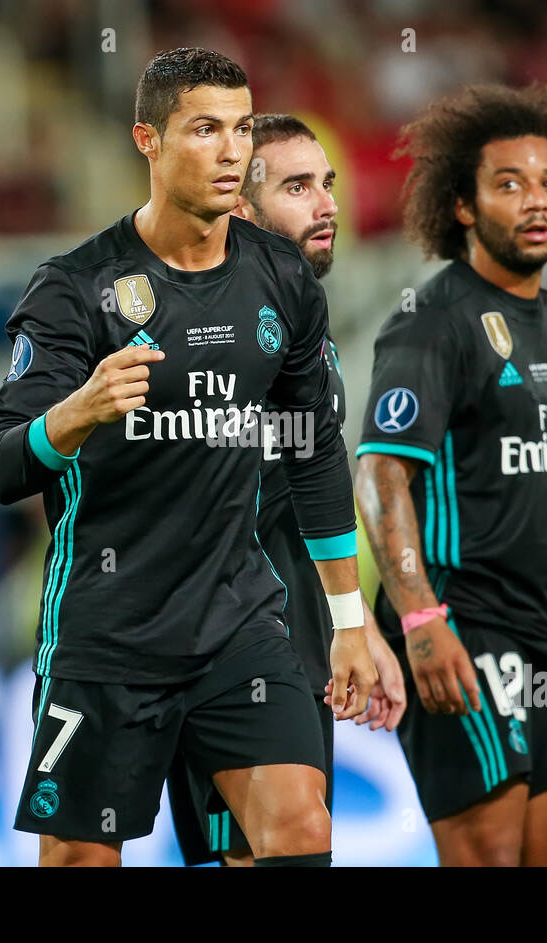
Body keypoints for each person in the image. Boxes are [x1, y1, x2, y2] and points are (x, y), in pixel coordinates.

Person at [0, 49, 377, 868]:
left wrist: (348, 623)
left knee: (300, 825)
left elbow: (315, 456)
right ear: (148, 142)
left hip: (238, 620)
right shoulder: (74, 289)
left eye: (240, 129)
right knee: (81, 858)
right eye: (205, 129)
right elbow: (2, 465)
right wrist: (77, 412)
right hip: (108, 629)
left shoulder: (283, 281)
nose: (232, 150)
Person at [354, 83, 547, 866]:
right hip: (463, 625)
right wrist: (417, 621)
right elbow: (380, 475)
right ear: (464, 206)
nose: (536, 201)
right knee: (487, 854)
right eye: (508, 184)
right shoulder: (432, 320)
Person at [166, 114, 406, 866]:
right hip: (221, 642)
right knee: (295, 838)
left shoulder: (305, 331)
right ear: (241, 206)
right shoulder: (202, 326)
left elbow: (304, 492)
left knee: (285, 847)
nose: (327, 203)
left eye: (328, 183)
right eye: (299, 187)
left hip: (301, 635)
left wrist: (354, 621)